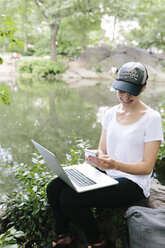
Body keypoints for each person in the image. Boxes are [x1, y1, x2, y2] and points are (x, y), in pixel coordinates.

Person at [45, 62, 164, 248]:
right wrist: (96, 158)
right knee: (54, 187)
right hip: (107, 174)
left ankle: (97, 241)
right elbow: (103, 150)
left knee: (70, 199)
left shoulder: (152, 118)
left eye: (131, 92)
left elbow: (147, 166)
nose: (125, 96)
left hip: (133, 182)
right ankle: (62, 236)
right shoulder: (110, 113)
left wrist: (115, 165)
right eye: (121, 91)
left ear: (143, 88)